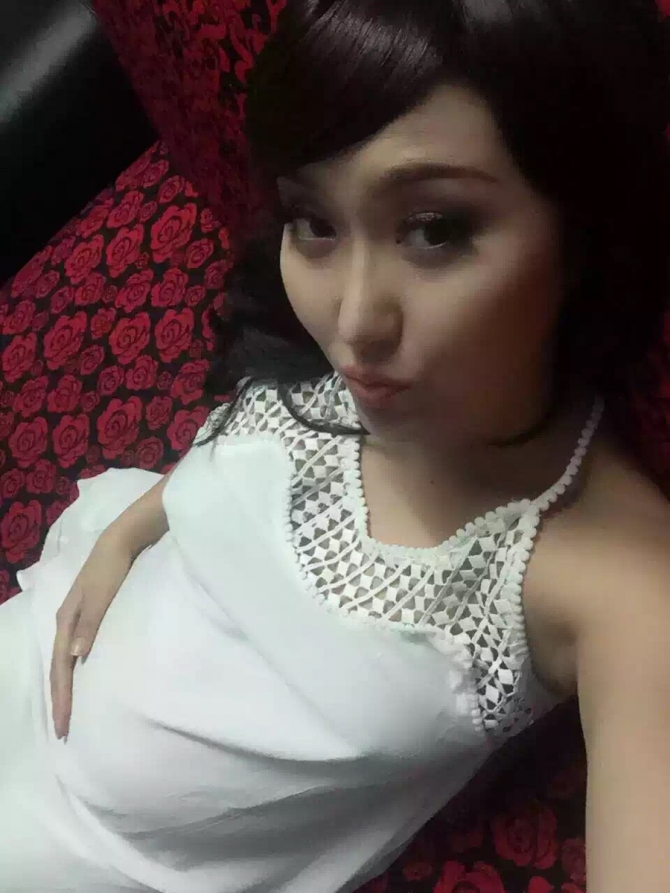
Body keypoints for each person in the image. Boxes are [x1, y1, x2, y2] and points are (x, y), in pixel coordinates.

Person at [1, 0, 669, 890]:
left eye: (435, 229)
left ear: (584, 228)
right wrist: (124, 535)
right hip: (32, 654)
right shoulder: (359, 366)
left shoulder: (619, 586)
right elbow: (251, 450)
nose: (352, 321)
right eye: (313, 221)